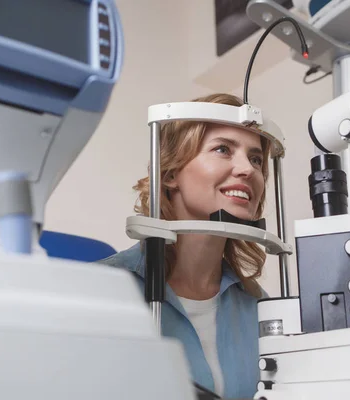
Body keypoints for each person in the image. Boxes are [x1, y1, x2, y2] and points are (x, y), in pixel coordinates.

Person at [98, 92, 272, 399]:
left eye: (256, 158)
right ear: (171, 173)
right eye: (223, 149)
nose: (248, 169)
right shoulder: (104, 291)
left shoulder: (258, 306)